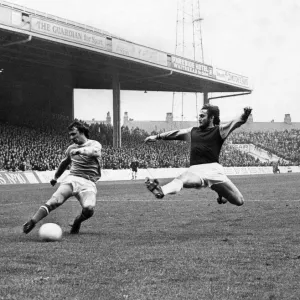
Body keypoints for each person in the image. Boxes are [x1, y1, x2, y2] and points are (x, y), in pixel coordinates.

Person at [144, 104, 252, 206]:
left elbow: (236, 122)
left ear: (211, 118)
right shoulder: (193, 131)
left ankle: (221, 195)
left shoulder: (219, 130)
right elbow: (175, 133)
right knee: (182, 179)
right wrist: (157, 136)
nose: (199, 118)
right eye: (198, 116)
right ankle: (162, 190)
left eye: (202, 116)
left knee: (239, 201)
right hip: (195, 170)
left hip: (214, 171)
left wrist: (244, 115)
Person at [23, 120, 102, 234]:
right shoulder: (71, 148)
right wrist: (55, 177)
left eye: (73, 134)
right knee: (54, 201)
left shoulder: (94, 144)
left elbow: (93, 152)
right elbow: (64, 163)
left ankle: (77, 222)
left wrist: (80, 151)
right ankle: (32, 221)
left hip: (88, 182)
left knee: (89, 208)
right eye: (70, 135)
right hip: (72, 178)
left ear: (82, 132)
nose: (71, 137)